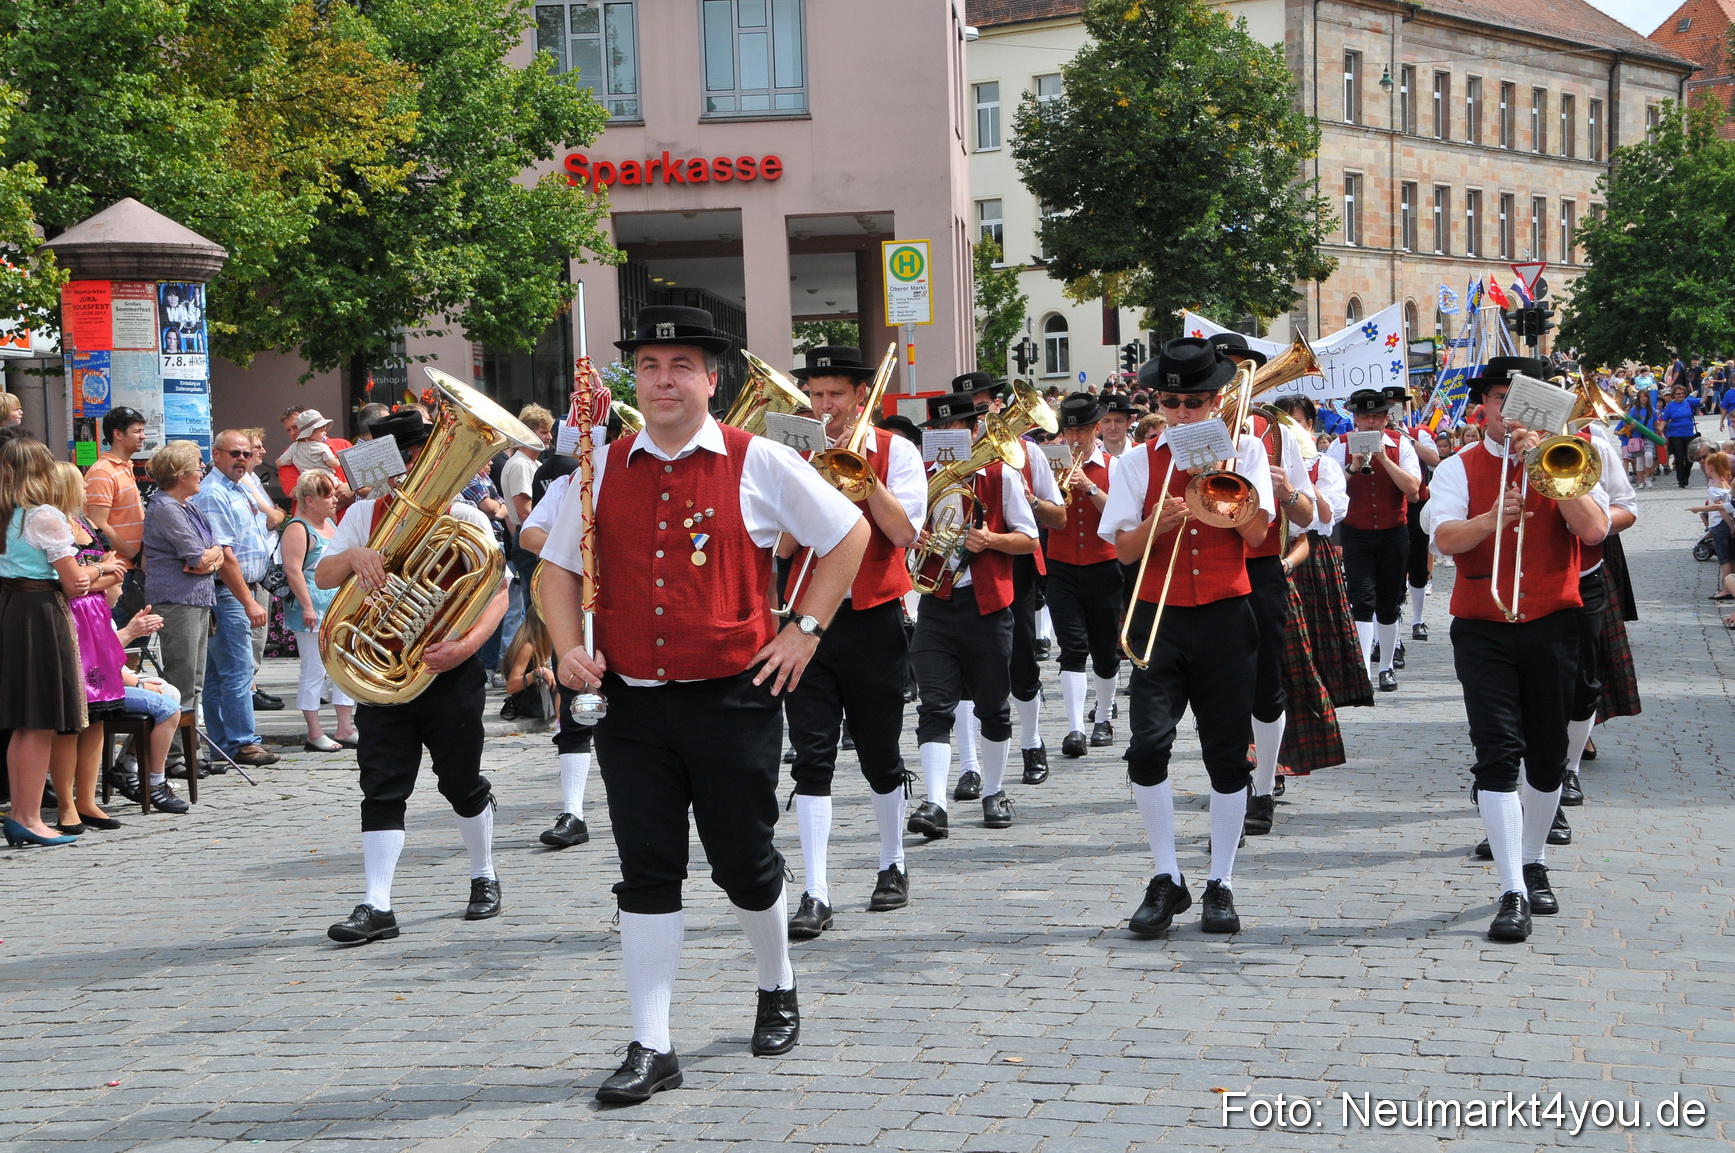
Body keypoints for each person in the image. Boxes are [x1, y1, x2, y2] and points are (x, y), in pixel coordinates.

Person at [538, 305, 869, 1103]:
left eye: (680, 365)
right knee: (646, 872)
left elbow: (848, 534)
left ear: (710, 379)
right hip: (631, 706)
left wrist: (804, 631)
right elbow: (556, 568)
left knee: (743, 864)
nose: (663, 380)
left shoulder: (757, 460)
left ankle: (776, 983)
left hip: (734, 699)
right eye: (650, 366)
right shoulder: (599, 465)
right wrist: (563, 646)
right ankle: (652, 1042)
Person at [1427, 359, 1609, 942]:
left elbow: (1596, 531)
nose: (1512, 413)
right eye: (1502, 400)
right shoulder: (1459, 465)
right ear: (1484, 405)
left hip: (1553, 622)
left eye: (1524, 402)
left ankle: (1533, 862)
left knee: (1548, 753)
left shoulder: (1570, 459)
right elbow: (1442, 537)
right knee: (1498, 753)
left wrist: (1551, 469)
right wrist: (1486, 520)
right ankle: (1511, 888)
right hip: (1483, 627)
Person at [1100, 338, 1275, 936]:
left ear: (1216, 399)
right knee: (1147, 748)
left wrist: (1220, 484)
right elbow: (1121, 549)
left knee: (1227, 754)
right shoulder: (1136, 461)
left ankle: (1220, 881)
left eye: (1194, 402)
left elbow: (1257, 538)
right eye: (1171, 402)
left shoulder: (1246, 449)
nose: (1181, 413)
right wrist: (1159, 520)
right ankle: (1168, 876)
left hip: (1227, 616)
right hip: (1157, 616)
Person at [315, 410, 510, 943]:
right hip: (383, 669)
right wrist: (355, 555)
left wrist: (467, 645)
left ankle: (483, 873)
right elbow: (323, 574)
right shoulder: (363, 513)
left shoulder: (465, 517)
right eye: (399, 460)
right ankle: (377, 904)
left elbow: (498, 590)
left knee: (460, 781)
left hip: (449, 668)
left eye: (416, 458)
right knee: (381, 786)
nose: (406, 470)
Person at [780, 346, 925, 938]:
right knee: (811, 759)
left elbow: (905, 533)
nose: (824, 406)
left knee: (878, 754)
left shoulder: (899, 451)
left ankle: (892, 862)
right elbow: (782, 549)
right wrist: (804, 481)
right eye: (814, 395)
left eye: (834, 395)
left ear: (860, 397)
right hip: (806, 622)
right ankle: (815, 890)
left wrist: (861, 476)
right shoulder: (792, 455)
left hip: (873, 620)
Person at [906, 379, 1041, 839]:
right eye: (939, 426)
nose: (947, 432)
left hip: (987, 603)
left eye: (956, 425)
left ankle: (995, 791)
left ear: (972, 427)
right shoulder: (919, 476)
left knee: (992, 707)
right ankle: (936, 802)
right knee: (935, 706)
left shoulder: (1000, 474)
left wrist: (991, 540)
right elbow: (896, 532)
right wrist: (914, 537)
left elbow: (1029, 539)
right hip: (936, 603)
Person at [1211, 334, 1315, 837]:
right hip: (1207, 568)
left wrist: (1287, 491)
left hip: (1261, 566)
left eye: (1239, 370)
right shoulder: (1191, 429)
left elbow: (1312, 515)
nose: (1232, 380)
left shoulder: (1277, 434)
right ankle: (1231, 776)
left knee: (1265, 684)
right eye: (1222, 371)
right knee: (1217, 685)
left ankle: (1266, 785)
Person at [0, 437, 95, 847]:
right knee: (38, 720)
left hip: (9, 608)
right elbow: (75, 583)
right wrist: (98, 572)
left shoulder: (6, 514)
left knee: (25, 720)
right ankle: (28, 816)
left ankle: (23, 813)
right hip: (39, 612)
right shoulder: (43, 515)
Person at [44, 462, 128, 834]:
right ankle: (65, 803)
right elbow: (70, 585)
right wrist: (100, 574)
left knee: (97, 717)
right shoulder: (52, 527)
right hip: (71, 623)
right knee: (71, 721)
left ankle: (87, 798)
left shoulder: (85, 526)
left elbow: (116, 570)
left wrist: (97, 575)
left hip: (96, 625)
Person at [141, 441, 225, 813]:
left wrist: (211, 557)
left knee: (193, 681)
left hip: (196, 599)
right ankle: (172, 756)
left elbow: (215, 550)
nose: (202, 472)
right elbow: (197, 555)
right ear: (180, 475)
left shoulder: (187, 506)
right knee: (178, 680)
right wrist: (210, 557)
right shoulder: (164, 507)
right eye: (197, 467)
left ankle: (184, 753)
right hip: (176, 601)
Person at [193, 431, 280, 768]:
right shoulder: (214, 493)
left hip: (244, 587)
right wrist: (248, 601)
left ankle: (223, 742)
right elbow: (224, 554)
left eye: (246, 453)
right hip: (229, 590)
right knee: (237, 670)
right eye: (235, 453)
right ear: (216, 455)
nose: (242, 459)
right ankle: (243, 742)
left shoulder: (241, 485)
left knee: (219, 673)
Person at [1325, 389, 1423, 692]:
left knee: (1389, 600)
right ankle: (1364, 669)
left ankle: (1387, 666)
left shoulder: (1401, 445)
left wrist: (1382, 457)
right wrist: (1354, 465)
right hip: (1357, 533)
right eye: (1365, 417)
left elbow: (1414, 490)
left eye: (1376, 417)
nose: (1370, 423)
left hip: (1394, 533)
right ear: (1355, 419)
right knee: (1361, 599)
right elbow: (1330, 492)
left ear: (1385, 419)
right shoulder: (1338, 447)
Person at [1043, 393, 1123, 758]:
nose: (1074, 439)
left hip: (1105, 566)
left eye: (1080, 431)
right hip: (1061, 566)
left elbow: (1121, 516)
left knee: (1105, 650)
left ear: (1095, 430)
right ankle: (1074, 728)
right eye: (1068, 431)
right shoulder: (1049, 463)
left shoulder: (1114, 465)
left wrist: (1089, 487)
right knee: (1071, 649)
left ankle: (1103, 718)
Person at [281, 470, 356, 751]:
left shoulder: (330, 526)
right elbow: (293, 570)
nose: (335, 500)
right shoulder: (298, 528)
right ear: (310, 500)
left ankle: (345, 726)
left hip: (336, 606)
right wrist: (307, 606)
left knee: (343, 666)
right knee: (314, 669)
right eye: (328, 496)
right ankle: (314, 731)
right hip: (314, 605)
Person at [497, 404, 555, 678]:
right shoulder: (520, 464)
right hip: (531, 539)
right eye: (544, 432)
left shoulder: (533, 463)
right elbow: (524, 511)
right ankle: (527, 669)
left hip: (529, 538)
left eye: (550, 432)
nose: (549, 437)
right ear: (529, 433)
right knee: (535, 609)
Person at [1661, 383, 1702, 488]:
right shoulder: (1670, 406)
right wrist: (1660, 430)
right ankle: (1681, 480)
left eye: (1682, 393)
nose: (1681, 395)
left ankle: (1686, 475)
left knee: (1690, 457)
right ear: (1674, 395)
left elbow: (1702, 401)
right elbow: (1664, 420)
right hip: (1675, 434)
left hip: (1688, 433)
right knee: (1679, 456)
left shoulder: (1688, 402)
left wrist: (1706, 389)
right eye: (1678, 393)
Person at [1098, 393, 1136, 461]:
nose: (1113, 427)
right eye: (1106, 421)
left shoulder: (1142, 453)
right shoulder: (1091, 457)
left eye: (1119, 421)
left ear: (1129, 422)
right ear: (1099, 424)